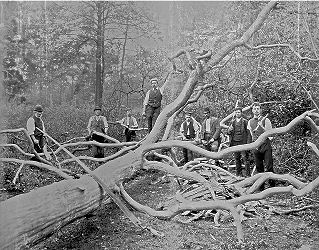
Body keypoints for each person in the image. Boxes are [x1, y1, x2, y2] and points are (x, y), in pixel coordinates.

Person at [247, 102, 275, 189]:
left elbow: (270, 134)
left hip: (265, 145)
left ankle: (272, 186)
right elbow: (250, 135)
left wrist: (262, 126)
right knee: (259, 168)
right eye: (254, 109)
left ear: (260, 110)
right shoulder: (250, 122)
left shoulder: (266, 120)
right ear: (252, 110)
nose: (256, 110)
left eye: (258, 108)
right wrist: (251, 146)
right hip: (256, 146)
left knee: (269, 166)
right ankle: (261, 186)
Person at [227, 106, 251, 177]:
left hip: (243, 142)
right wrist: (229, 130)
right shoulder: (232, 122)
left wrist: (248, 143)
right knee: (237, 158)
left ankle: (248, 175)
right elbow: (228, 133)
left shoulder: (245, 122)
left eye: (239, 112)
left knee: (245, 158)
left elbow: (249, 133)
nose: (237, 113)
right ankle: (238, 174)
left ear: (241, 113)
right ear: (235, 113)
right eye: (236, 112)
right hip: (235, 142)